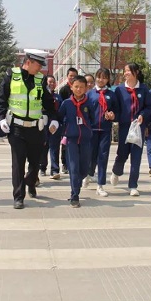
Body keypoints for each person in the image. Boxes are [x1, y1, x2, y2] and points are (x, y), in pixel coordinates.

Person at [0, 49, 59, 209]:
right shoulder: (11, 75)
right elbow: (1, 99)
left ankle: (30, 182)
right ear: (28, 62)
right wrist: (1, 118)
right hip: (16, 128)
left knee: (35, 163)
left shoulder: (41, 80)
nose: (40, 68)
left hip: (36, 129)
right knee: (18, 163)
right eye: (38, 64)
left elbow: (49, 103)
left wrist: (54, 119)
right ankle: (18, 197)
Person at [110, 63, 151, 196]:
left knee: (136, 156)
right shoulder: (119, 90)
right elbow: (116, 108)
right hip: (124, 127)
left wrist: (143, 115)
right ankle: (116, 171)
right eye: (125, 71)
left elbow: (149, 107)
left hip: (138, 128)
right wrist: (114, 117)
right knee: (122, 154)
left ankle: (133, 185)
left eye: (128, 70)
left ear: (136, 72)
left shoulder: (144, 89)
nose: (126, 73)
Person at [59, 75, 94, 207]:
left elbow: (93, 119)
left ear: (86, 88)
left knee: (84, 169)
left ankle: (76, 186)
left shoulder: (89, 103)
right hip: (71, 140)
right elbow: (60, 118)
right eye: (76, 87)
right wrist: (64, 132)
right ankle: (75, 195)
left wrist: (89, 130)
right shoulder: (66, 103)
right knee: (73, 168)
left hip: (85, 140)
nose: (79, 89)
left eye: (81, 87)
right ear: (71, 87)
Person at [85, 68, 118, 197]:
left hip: (105, 130)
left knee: (103, 157)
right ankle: (88, 174)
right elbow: (85, 112)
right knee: (91, 156)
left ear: (108, 79)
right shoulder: (89, 94)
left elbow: (116, 111)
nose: (101, 80)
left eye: (104, 77)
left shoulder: (112, 95)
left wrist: (113, 115)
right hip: (91, 130)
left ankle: (100, 185)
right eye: (99, 77)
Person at [58, 67, 78, 174]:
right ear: (67, 76)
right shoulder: (64, 90)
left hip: (78, 120)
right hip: (67, 121)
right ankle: (65, 164)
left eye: (75, 76)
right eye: (71, 76)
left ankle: (74, 163)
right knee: (65, 143)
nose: (72, 77)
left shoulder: (79, 88)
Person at [46, 75, 63, 180]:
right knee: (43, 148)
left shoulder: (58, 97)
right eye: (50, 82)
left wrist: (58, 122)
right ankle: (42, 167)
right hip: (43, 124)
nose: (52, 84)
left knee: (54, 148)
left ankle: (55, 170)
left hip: (55, 125)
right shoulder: (41, 95)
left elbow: (61, 111)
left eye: (53, 82)